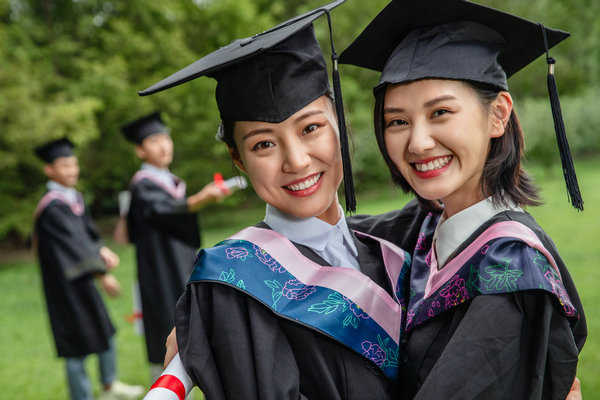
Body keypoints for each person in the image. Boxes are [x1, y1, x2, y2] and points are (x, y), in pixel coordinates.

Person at [137, 0, 428, 398]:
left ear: (339, 124)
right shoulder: (233, 286)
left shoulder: (404, 242)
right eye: (263, 145)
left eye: (310, 128)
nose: (296, 160)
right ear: (238, 159)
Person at [339, 0, 587, 398]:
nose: (418, 142)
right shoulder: (429, 226)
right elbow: (329, 237)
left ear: (498, 115)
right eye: (397, 121)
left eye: (440, 112)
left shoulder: (510, 271)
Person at [121, 111, 232, 380]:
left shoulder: (169, 181)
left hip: (181, 262)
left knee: (190, 320)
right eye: (154, 140)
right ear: (140, 150)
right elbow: (165, 211)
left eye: (165, 138)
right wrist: (201, 199)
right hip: (159, 269)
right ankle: (163, 386)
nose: (163, 145)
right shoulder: (143, 185)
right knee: (166, 323)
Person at [33, 138, 144, 400]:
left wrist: (101, 249)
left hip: (82, 281)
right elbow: (71, 246)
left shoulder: (72, 199)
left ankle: (109, 386)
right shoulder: (52, 207)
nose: (72, 170)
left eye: (74, 164)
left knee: (105, 331)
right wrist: (102, 275)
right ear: (49, 170)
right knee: (75, 347)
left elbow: (86, 237)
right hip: (65, 288)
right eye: (64, 165)